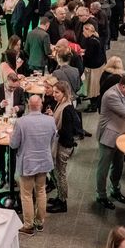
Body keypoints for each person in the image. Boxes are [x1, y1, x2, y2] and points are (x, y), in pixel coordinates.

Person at [10, 95, 56, 235]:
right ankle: (40, 222)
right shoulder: (50, 120)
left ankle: (28, 225)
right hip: (44, 160)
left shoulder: (21, 122)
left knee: (26, 195)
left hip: (28, 163)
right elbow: (53, 139)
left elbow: (13, 144)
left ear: (29, 105)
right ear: (41, 105)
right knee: (41, 191)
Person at [95, 76, 125, 210]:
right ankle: (101, 195)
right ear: (123, 86)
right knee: (103, 168)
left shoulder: (123, 92)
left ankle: (115, 190)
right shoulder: (111, 95)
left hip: (121, 136)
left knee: (118, 165)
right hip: (108, 136)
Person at [0, 73, 25, 189]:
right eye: (11, 88)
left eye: (15, 87)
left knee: (12, 152)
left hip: (14, 123)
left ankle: (11, 177)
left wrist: (18, 108)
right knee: (0, 153)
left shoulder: (19, 90)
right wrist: (0, 104)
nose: (13, 89)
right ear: (6, 82)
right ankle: (2, 177)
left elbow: (24, 106)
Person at [46, 81, 77, 214]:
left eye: (57, 92)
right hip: (58, 144)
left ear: (64, 93)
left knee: (60, 174)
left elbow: (67, 132)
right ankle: (59, 197)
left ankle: (63, 202)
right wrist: (52, 115)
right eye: (53, 92)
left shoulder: (68, 108)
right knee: (55, 172)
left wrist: (53, 128)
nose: (54, 95)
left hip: (63, 146)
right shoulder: (61, 104)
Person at [82, 23, 106, 112]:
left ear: (88, 30)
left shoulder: (91, 41)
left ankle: (93, 106)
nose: (82, 33)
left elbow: (89, 55)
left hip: (93, 68)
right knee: (96, 87)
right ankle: (94, 104)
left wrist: (82, 54)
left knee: (93, 88)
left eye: (84, 30)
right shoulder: (96, 38)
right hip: (99, 65)